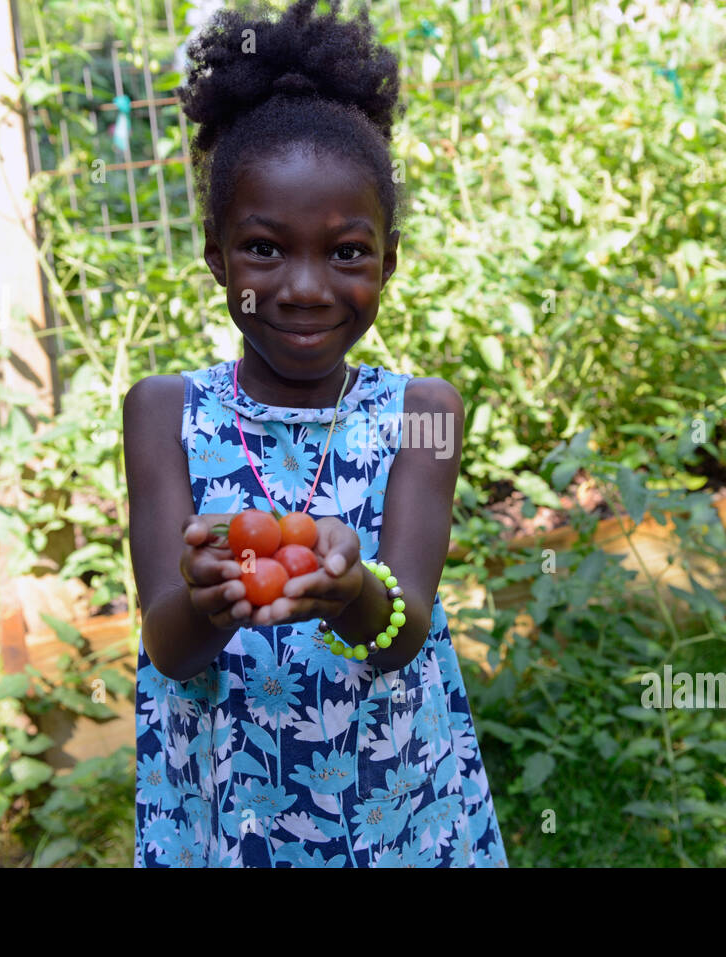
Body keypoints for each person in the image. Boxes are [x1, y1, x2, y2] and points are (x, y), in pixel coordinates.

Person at [122, 0, 508, 867]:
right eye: (265, 248)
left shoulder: (425, 414)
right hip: (233, 815)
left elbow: (403, 632)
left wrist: (351, 588)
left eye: (346, 253)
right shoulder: (163, 412)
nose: (303, 287)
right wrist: (208, 598)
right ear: (217, 256)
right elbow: (168, 648)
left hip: (393, 807)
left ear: (388, 261)